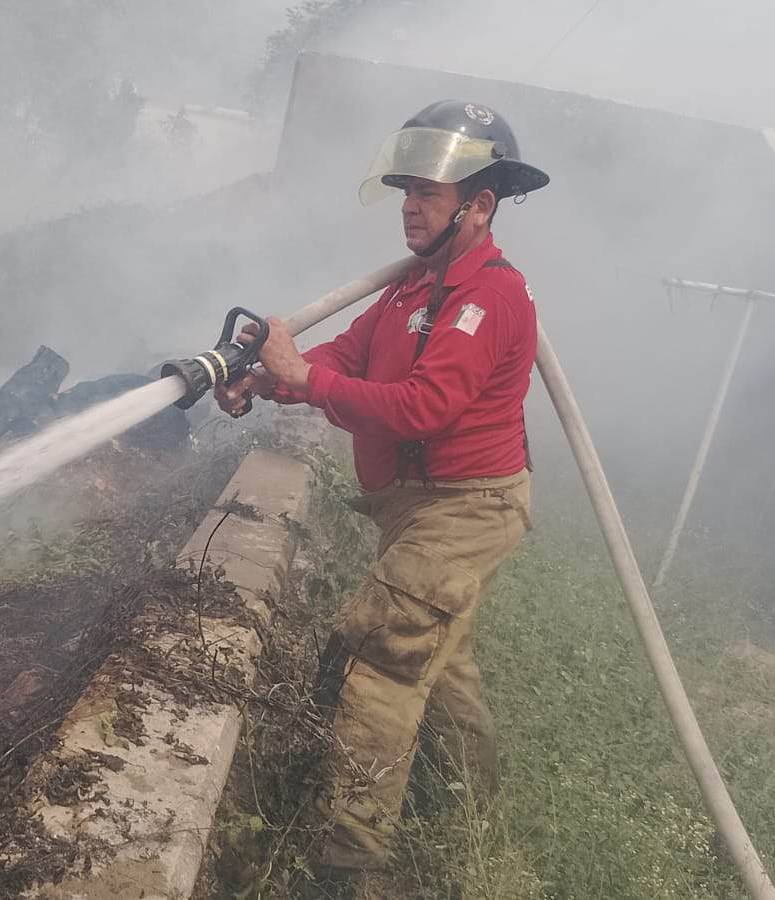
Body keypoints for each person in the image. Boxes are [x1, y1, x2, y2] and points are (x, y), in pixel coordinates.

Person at [216, 100, 550, 889]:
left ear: (479, 205)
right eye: (406, 189)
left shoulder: (489, 298)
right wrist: (267, 380)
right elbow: (346, 355)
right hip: (415, 506)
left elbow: (425, 408)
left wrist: (307, 378)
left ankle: (347, 868)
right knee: (443, 662)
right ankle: (469, 815)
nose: (409, 204)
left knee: (382, 666)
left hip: (467, 507)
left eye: (428, 193)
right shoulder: (412, 289)